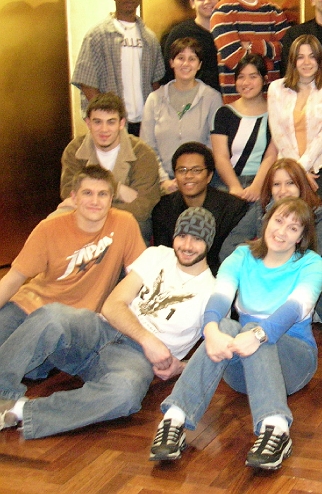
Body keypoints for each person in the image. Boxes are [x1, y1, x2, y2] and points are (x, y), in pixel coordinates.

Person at [0, 207, 216, 439]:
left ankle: (20, 411)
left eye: (197, 239)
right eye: (182, 236)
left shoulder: (212, 291)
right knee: (51, 316)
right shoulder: (158, 255)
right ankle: (2, 392)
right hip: (102, 329)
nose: (187, 245)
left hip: (135, 359)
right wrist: (148, 339)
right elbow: (112, 305)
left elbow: (217, 354)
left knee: (125, 394)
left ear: (209, 242)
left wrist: (180, 366)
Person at [149, 198, 322, 470]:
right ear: (267, 220)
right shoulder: (242, 255)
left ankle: (276, 428)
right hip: (242, 369)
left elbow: (294, 308)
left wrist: (257, 334)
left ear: (302, 236)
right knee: (226, 327)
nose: (282, 231)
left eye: (293, 228)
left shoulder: (311, 264)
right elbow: (220, 297)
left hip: (293, 362)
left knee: (257, 332)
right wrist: (211, 331)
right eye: (279, 221)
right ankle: (174, 419)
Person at [0, 166, 145, 348]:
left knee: (13, 357)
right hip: (26, 305)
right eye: (87, 193)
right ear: (74, 197)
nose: (95, 201)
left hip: (68, 320)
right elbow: (13, 279)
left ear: (111, 199)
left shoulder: (125, 224)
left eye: (102, 194)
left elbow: (140, 276)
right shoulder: (48, 228)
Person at [72, 0, 165, 136]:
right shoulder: (98, 35)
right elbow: (87, 82)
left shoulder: (149, 38)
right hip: (112, 126)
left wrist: (154, 117)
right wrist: (106, 119)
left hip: (144, 124)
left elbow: (155, 82)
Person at [60, 93, 160, 239]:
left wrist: (92, 204)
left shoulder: (143, 154)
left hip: (127, 225)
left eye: (111, 122)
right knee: (57, 216)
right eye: (97, 122)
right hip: (85, 221)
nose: (104, 129)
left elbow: (142, 208)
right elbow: (69, 194)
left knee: (137, 224)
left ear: (121, 123)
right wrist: (117, 189)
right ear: (88, 123)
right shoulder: (75, 150)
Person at [267, 35, 322, 211]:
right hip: (286, 169)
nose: (306, 62)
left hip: (321, 168)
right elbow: (277, 132)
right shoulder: (276, 88)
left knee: (319, 220)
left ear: (319, 59)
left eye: (312, 56)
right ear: (293, 60)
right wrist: (297, 172)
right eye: (300, 57)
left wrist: (301, 168)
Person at [151, 142, 249, 275]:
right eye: (182, 170)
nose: (188, 176)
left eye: (196, 170)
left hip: (219, 278)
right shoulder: (163, 208)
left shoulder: (233, 208)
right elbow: (163, 254)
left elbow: (232, 257)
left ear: (209, 176)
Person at [141, 37, 222, 194]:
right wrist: (164, 180)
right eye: (180, 58)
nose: (186, 64)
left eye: (192, 59)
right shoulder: (155, 99)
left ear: (199, 65)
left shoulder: (212, 98)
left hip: (200, 183)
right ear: (171, 62)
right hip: (162, 183)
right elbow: (148, 146)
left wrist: (193, 177)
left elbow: (213, 145)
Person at [211, 0, 290, 102]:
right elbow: (235, 59)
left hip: (272, 104)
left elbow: (286, 52)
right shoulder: (222, 12)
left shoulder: (274, 11)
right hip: (236, 105)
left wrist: (252, 46)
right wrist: (270, 52)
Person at [211, 53, 276, 203]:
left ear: (265, 79)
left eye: (253, 76)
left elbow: (271, 156)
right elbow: (221, 157)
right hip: (226, 183)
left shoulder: (275, 113)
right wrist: (234, 187)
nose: (246, 82)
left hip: (263, 182)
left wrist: (257, 187)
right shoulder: (224, 113)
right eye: (241, 77)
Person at [161, 0, 222, 91]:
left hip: (226, 100)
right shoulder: (180, 33)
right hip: (190, 100)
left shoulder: (227, 31)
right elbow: (168, 73)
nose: (207, 2)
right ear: (192, 3)